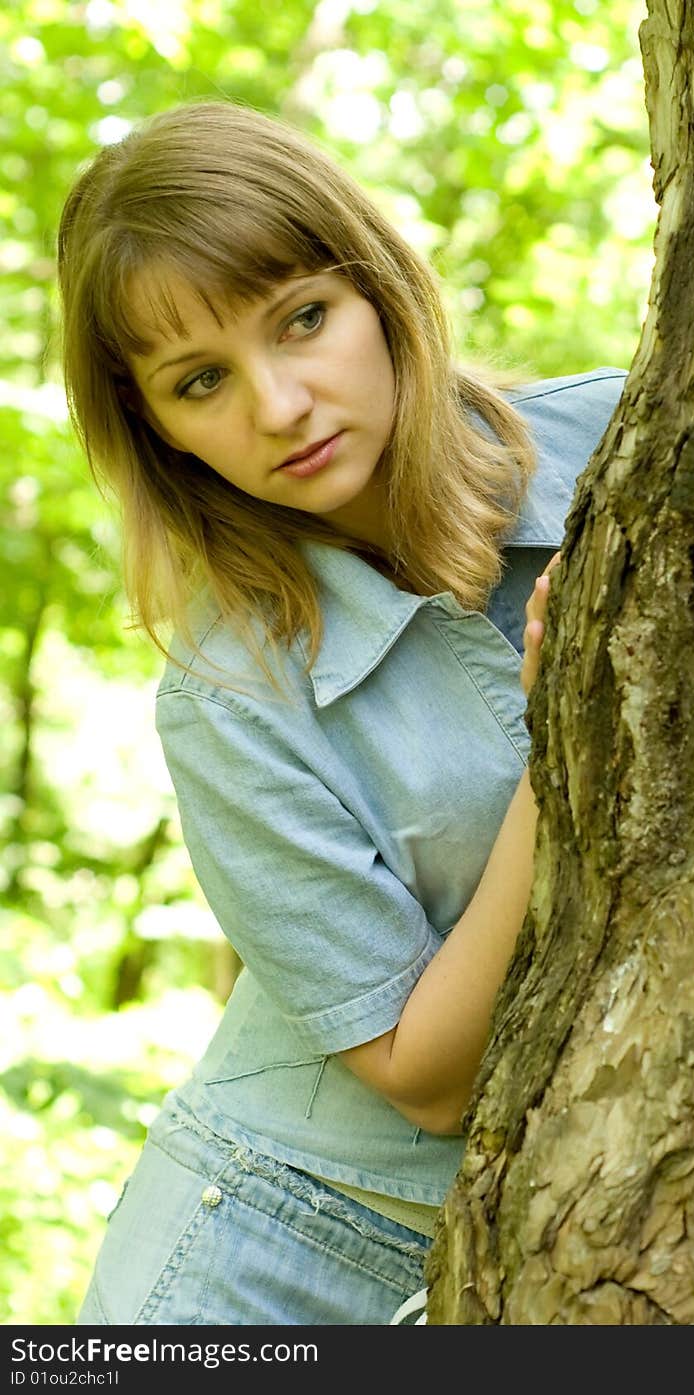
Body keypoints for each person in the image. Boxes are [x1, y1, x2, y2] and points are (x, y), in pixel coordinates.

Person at [57, 99, 625, 1326]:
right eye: (200, 380)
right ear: (153, 423)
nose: (278, 406)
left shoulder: (627, 441)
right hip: (266, 1264)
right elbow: (423, 1076)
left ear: (379, 289)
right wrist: (564, 742)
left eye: (303, 319)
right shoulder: (227, 697)